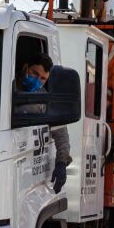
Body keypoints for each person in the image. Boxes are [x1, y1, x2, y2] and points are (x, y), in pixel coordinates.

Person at [13, 52, 71, 194]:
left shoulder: (44, 101)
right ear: (25, 67)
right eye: (34, 73)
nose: (37, 80)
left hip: (25, 173)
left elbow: (61, 134)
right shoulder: (5, 87)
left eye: (43, 78)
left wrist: (61, 163)